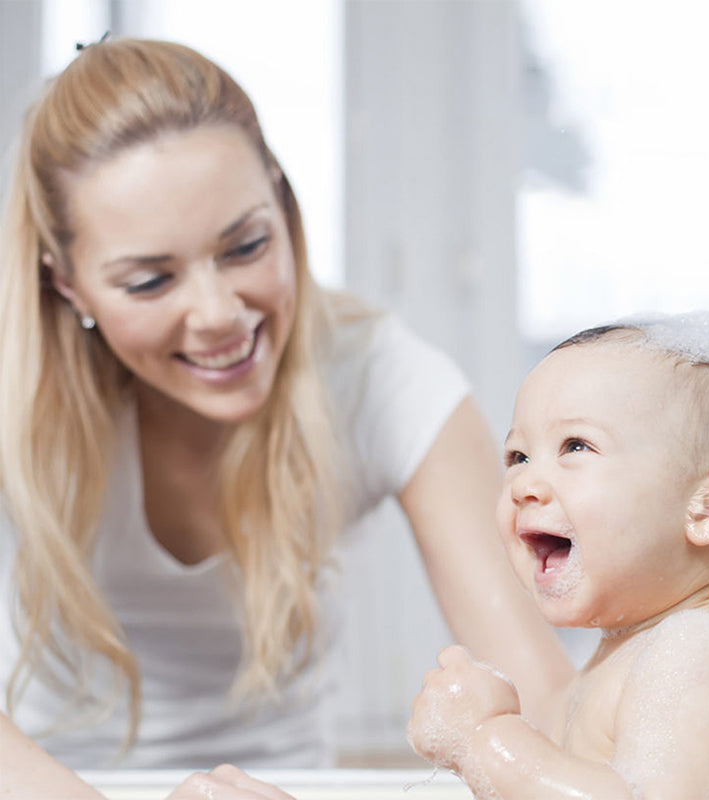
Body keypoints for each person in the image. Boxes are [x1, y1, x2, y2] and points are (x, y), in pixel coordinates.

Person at [0, 35, 575, 799]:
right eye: (149, 282)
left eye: (245, 245)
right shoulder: (13, 386)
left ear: (283, 204)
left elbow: (545, 704)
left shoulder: (380, 378)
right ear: (66, 284)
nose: (218, 313)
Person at [407, 311, 709, 799]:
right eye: (518, 456)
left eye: (576, 446)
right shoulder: (631, 650)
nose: (524, 484)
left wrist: (483, 741)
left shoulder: (702, 649)